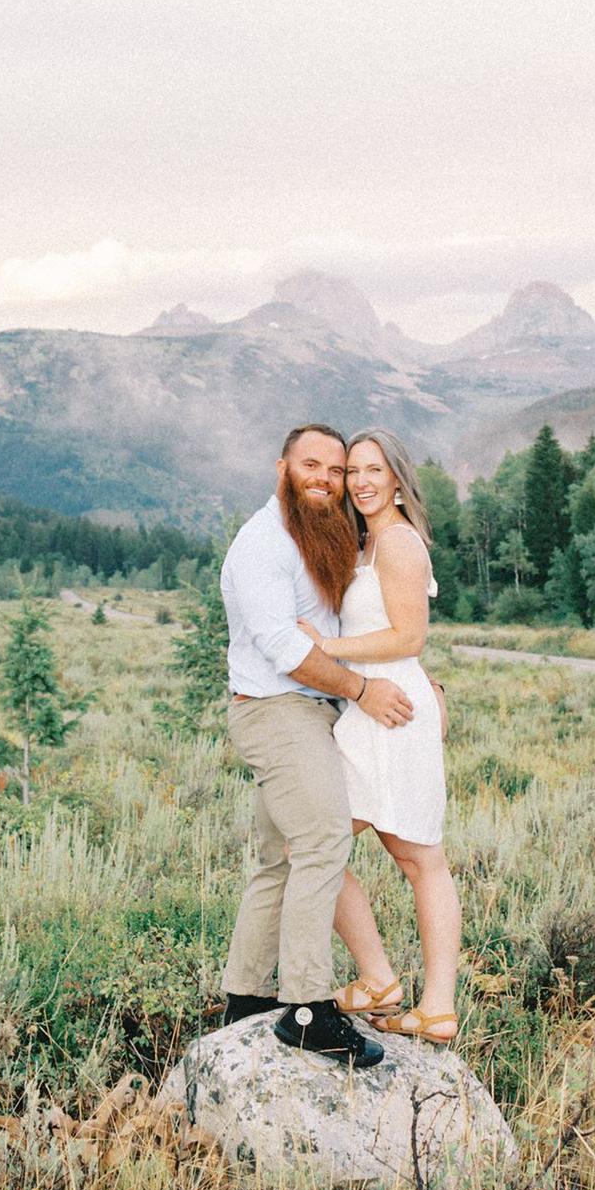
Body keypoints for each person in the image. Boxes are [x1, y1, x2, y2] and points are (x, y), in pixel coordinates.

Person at [219, 423, 414, 1066]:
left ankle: (246, 999)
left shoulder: (313, 534)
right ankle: (306, 1010)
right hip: (279, 711)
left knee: (278, 859)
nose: (327, 479)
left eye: (337, 470)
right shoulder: (262, 544)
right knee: (325, 839)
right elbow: (286, 651)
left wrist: (412, 677)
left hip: (305, 710)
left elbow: (354, 624)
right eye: (313, 465)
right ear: (283, 468)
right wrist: (362, 690)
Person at [299, 430, 462, 1044]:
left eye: (375, 470)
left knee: (418, 858)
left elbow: (407, 638)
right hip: (371, 708)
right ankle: (383, 982)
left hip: (390, 712)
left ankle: (431, 1003)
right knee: (320, 844)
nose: (362, 482)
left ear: (398, 478)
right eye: (354, 471)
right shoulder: (365, 542)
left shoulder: (397, 542)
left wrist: (323, 648)